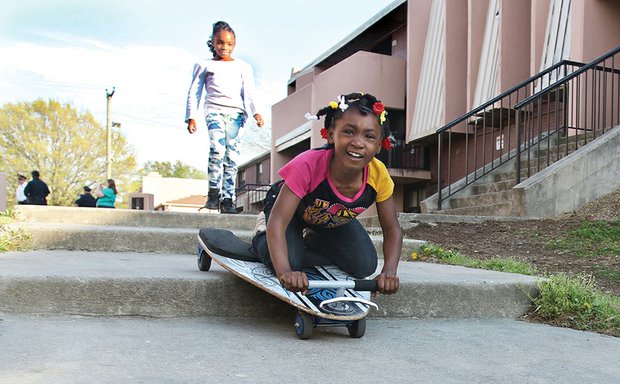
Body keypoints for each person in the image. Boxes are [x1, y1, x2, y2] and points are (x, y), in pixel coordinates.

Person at [251, 92, 402, 295]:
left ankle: (311, 239)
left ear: (378, 145)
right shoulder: (308, 165)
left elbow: (392, 230)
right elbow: (278, 222)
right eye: (348, 132)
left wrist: (389, 272)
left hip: (329, 220)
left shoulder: (378, 175)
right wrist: (285, 272)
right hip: (287, 214)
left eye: (369, 136)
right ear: (331, 134)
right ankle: (262, 233)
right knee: (291, 262)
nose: (358, 142)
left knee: (364, 264)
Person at [185, 20, 265, 214]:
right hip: (214, 111)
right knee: (217, 150)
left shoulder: (243, 67)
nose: (224, 47)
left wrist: (256, 112)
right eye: (220, 43)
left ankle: (228, 199)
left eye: (229, 44)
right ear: (213, 42)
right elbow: (194, 91)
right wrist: (191, 116)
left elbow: (250, 92)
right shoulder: (204, 65)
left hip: (236, 115)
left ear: (234, 44)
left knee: (232, 157)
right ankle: (214, 194)